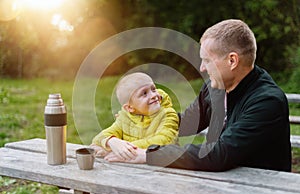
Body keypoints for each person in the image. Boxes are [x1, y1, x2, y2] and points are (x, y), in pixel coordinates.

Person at [104, 19, 292, 172]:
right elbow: (186, 123)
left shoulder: (267, 101)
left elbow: (219, 155)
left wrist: (147, 155)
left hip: (258, 189)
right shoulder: (214, 87)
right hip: (219, 181)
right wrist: (140, 118)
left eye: (207, 60)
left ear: (232, 60)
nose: (202, 68)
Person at [90, 72, 179, 160]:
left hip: (165, 168)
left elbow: (164, 140)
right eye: (144, 93)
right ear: (129, 108)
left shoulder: (168, 114)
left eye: (153, 89)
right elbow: (99, 138)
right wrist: (112, 141)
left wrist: (122, 150)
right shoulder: (124, 118)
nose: (153, 95)